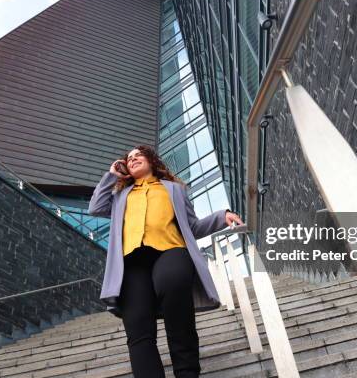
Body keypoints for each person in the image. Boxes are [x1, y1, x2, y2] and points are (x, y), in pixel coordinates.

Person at [88, 145, 243, 378]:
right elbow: (95, 208)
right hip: (131, 264)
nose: (133, 159)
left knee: (173, 286)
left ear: (151, 161)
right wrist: (112, 176)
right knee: (138, 330)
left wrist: (222, 216)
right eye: (129, 158)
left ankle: (187, 373)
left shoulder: (173, 189)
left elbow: (192, 226)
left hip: (170, 250)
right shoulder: (120, 195)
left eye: (138, 155)